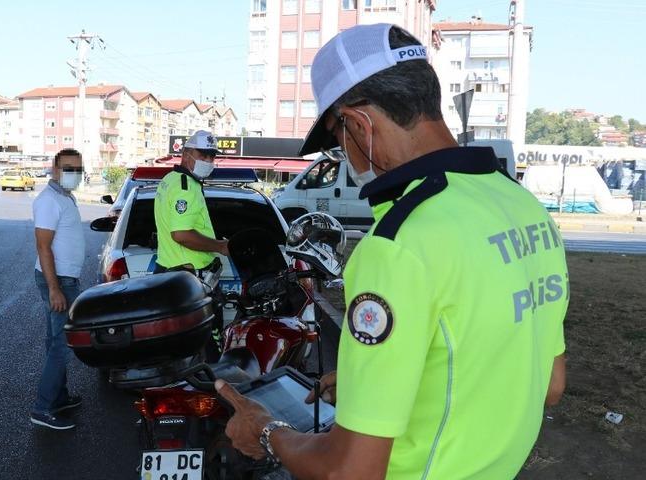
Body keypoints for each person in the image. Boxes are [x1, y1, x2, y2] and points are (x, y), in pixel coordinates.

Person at [216, 24, 568, 479]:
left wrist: (265, 433)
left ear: (359, 124)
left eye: (337, 139)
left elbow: (348, 472)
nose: (346, 155)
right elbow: (549, 384)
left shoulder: (398, 244)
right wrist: (391, 385)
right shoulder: (524, 207)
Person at [30, 148, 86, 430]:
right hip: (58, 280)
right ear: (54, 168)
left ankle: (59, 397)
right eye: (67, 168)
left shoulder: (64, 196)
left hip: (64, 279)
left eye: (77, 168)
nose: (73, 174)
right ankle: (42, 408)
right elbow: (43, 246)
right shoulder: (49, 200)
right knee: (63, 345)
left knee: (56, 341)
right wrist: (55, 289)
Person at [153, 129, 229, 274]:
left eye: (211, 157)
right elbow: (181, 235)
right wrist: (220, 246)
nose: (207, 161)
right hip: (186, 274)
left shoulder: (170, 178)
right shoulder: (186, 187)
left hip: (168, 268)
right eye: (202, 155)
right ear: (186, 154)